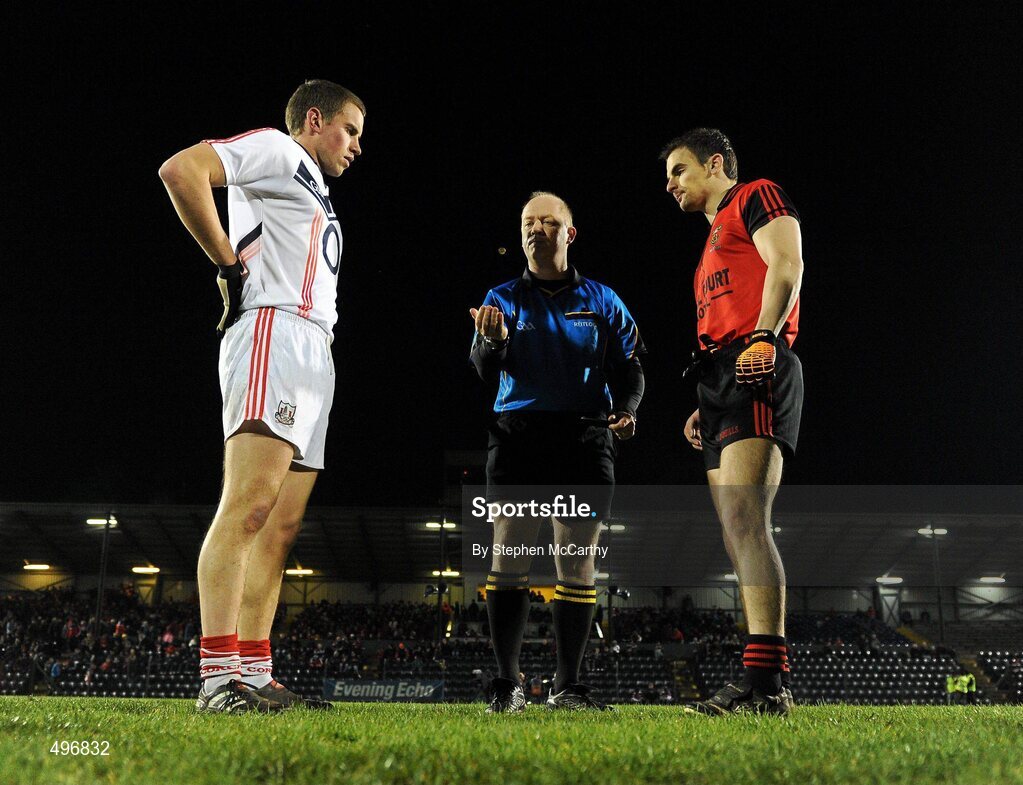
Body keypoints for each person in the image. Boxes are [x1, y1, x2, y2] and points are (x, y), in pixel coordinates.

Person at [158, 79, 365, 713]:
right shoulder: (278, 148)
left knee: (280, 527)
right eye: (351, 129)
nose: (358, 144)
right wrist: (225, 262)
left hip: (314, 350)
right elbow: (182, 170)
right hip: (273, 330)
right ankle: (218, 678)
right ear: (314, 119)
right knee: (247, 507)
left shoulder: (318, 191)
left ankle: (255, 672)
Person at [469, 191, 646, 712]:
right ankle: (507, 684)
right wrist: (493, 343)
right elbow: (484, 371)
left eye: (549, 222)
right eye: (528, 221)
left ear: (570, 234)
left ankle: (568, 687)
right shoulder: (499, 299)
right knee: (511, 555)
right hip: (518, 435)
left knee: (577, 562)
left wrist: (630, 408)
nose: (536, 229)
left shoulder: (604, 299)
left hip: (585, 438)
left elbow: (632, 366)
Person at [661, 128, 804, 715]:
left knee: (748, 518)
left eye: (678, 170)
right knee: (732, 531)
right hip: (719, 376)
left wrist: (766, 337)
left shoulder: (756, 195)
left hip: (757, 363)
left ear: (715, 163)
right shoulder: (709, 245)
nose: (670, 184)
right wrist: (705, 397)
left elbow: (787, 263)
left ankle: (767, 684)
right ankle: (755, 677)